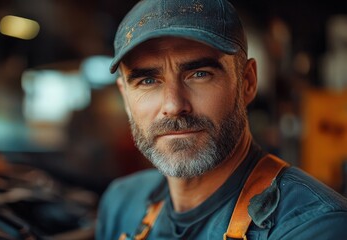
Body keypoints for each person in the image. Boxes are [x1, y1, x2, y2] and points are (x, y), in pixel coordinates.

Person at [96, 0, 347, 239]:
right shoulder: (121, 204)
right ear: (125, 98)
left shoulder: (315, 226)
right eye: (148, 81)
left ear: (247, 82)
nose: (173, 105)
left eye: (199, 74)